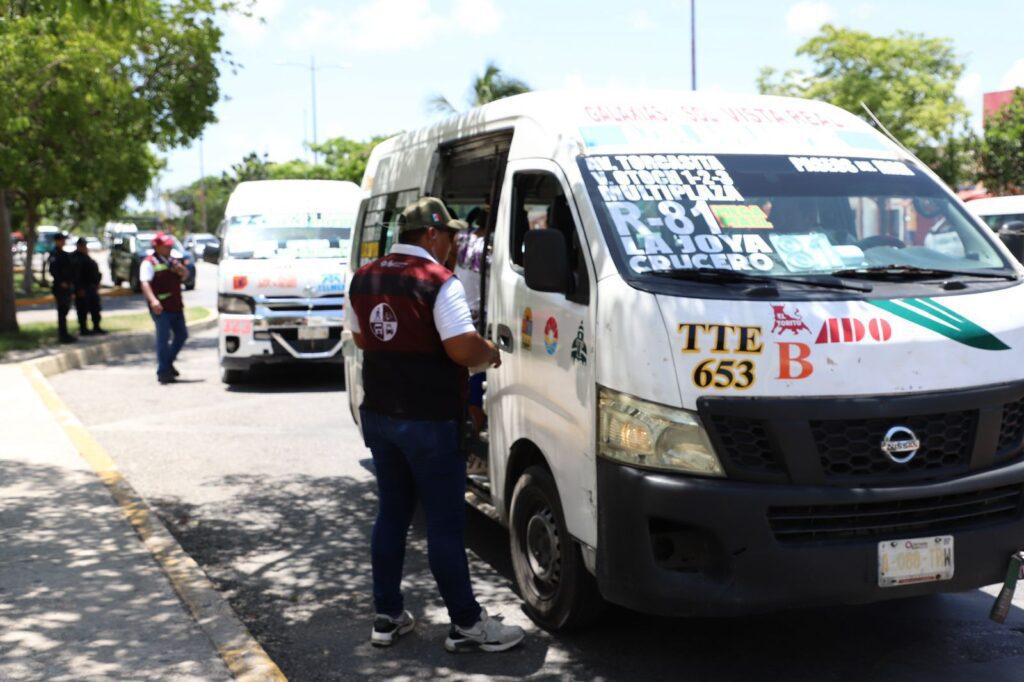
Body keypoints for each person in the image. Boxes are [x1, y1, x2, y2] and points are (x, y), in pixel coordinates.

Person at [348, 196, 526, 653]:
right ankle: (467, 623)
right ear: (430, 234)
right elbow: (462, 348)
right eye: (450, 235)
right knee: (446, 526)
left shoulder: (364, 277)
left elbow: (360, 335)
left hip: (381, 418)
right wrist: (490, 352)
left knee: (391, 514)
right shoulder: (438, 282)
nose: (453, 244)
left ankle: (386, 617)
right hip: (428, 421)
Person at [139, 232, 189, 384]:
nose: (169, 247)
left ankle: (166, 364)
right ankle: (163, 372)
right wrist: (153, 301)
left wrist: (181, 270)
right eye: (166, 245)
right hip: (161, 308)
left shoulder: (173, 260)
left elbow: (186, 277)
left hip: (175, 305)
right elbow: (145, 283)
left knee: (182, 335)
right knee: (163, 339)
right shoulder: (149, 262)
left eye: (169, 245)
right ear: (157, 246)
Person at [71, 237, 106, 335]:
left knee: (95, 308)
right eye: (82, 245)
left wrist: (97, 282)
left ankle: (96, 326)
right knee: (82, 310)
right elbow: (75, 276)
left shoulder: (86, 256)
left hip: (91, 287)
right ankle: (84, 329)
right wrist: (79, 288)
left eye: (85, 245)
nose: (84, 247)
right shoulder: (75, 258)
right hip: (82, 288)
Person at [47, 232, 76, 343]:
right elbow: (53, 271)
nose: (63, 241)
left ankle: (65, 334)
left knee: (65, 310)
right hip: (60, 287)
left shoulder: (63, 254)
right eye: (62, 240)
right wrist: (61, 282)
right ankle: (62, 335)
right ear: (57, 241)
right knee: (62, 311)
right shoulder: (55, 254)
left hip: (67, 286)